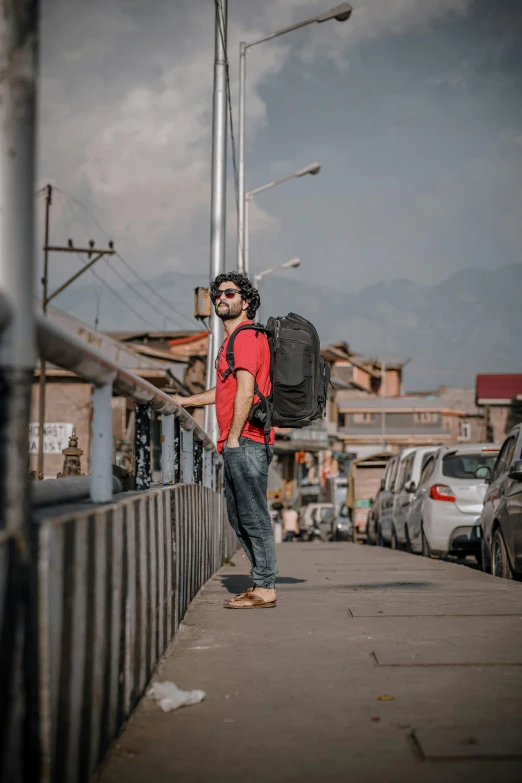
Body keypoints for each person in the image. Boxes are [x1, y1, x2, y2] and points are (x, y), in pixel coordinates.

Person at [173, 272, 277, 609]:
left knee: (253, 514)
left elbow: (246, 392)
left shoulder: (246, 337)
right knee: (238, 515)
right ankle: (261, 580)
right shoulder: (233, 342)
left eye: (230, 293)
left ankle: (265, 586)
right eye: (217, 293)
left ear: (246, 302)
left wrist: (232, 438)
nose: (221, 298)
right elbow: (226, 392)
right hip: (239, 441)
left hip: (245, 439)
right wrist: (185, 402)